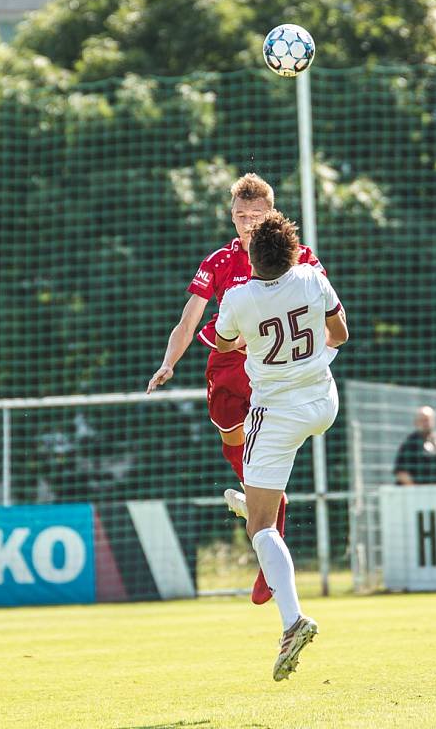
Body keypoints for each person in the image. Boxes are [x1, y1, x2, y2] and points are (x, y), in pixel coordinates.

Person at [147, 173, 326, 605]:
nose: (248, 223)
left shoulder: (296, 256)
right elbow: (190, 318)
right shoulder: (219, 262)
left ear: (271, 213)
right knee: (231, 435)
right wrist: (169, 361)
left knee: (267, 441)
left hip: (273, 366)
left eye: (256, 215)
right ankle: (263, 501)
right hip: (225, 362)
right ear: (231, 216)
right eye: (240, 215)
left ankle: (267, 527)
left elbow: (323, 304)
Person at [215, 210, 348, 681]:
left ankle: (292, 621)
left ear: (251, 255)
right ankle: (246, 500)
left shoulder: (238, 297)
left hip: (275, 416)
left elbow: (227, 345)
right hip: (323, 401)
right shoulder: (313, 279)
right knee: (256, 507)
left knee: (261, 527)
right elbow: (340, 334)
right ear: (294, 252)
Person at [393, 405, 436, 486]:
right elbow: (401, 472)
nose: (426, 423)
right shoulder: (410, 443)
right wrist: (415, 491)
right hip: (420, 494)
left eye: (428, 420)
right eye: (423, 420)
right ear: (416, 422)